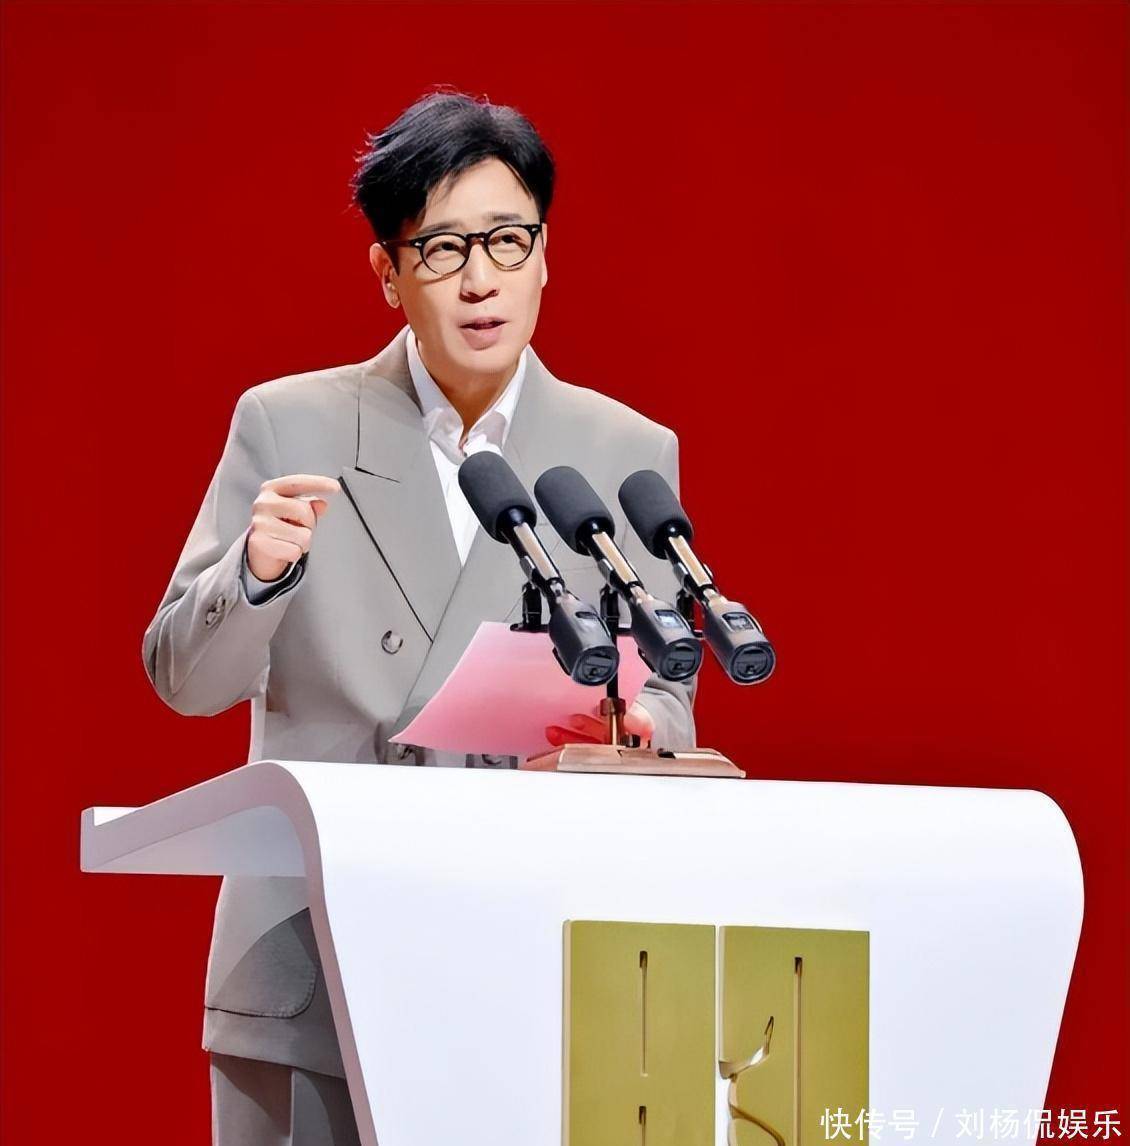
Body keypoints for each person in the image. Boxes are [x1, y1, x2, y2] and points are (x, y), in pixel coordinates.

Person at [143, 90, 696, 1146]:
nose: (480, 279)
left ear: (545, 256)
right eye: (441, 249)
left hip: (531, 952)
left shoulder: (625, 449)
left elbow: (666, 687)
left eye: (507, 239)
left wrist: (639, 728)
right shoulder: (289, 424)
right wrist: (255, 576)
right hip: (313, 961)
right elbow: (186, 681)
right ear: (387, 274)